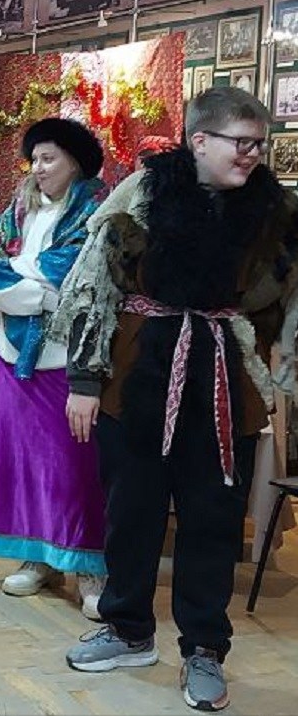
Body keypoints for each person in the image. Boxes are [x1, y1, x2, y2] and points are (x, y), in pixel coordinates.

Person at [55, 87, 298, 712]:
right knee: (131, 512)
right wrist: (84, 381)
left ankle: (204, 649)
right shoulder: (142, 194)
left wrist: (284, 377)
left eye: (259, 144)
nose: (252, 154)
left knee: (213, 521)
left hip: (225, 384)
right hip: (137, 379)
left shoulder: (275, 213)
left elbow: (291, 299)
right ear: (200, 140)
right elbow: (93, 285)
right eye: (240, 142)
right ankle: (128, 630)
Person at [0, 117, 108, 619]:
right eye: (34, 159)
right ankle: (38, 556)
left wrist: (20, 285)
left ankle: (89, 564)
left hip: (66, 358)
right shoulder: (16, 210)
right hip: (9, 353)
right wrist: (34, 293)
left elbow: (72, 275)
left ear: (75, 161)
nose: (39, 168)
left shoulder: (95, 212)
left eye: (49, 158)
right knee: (22, 461)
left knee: (73, 465)